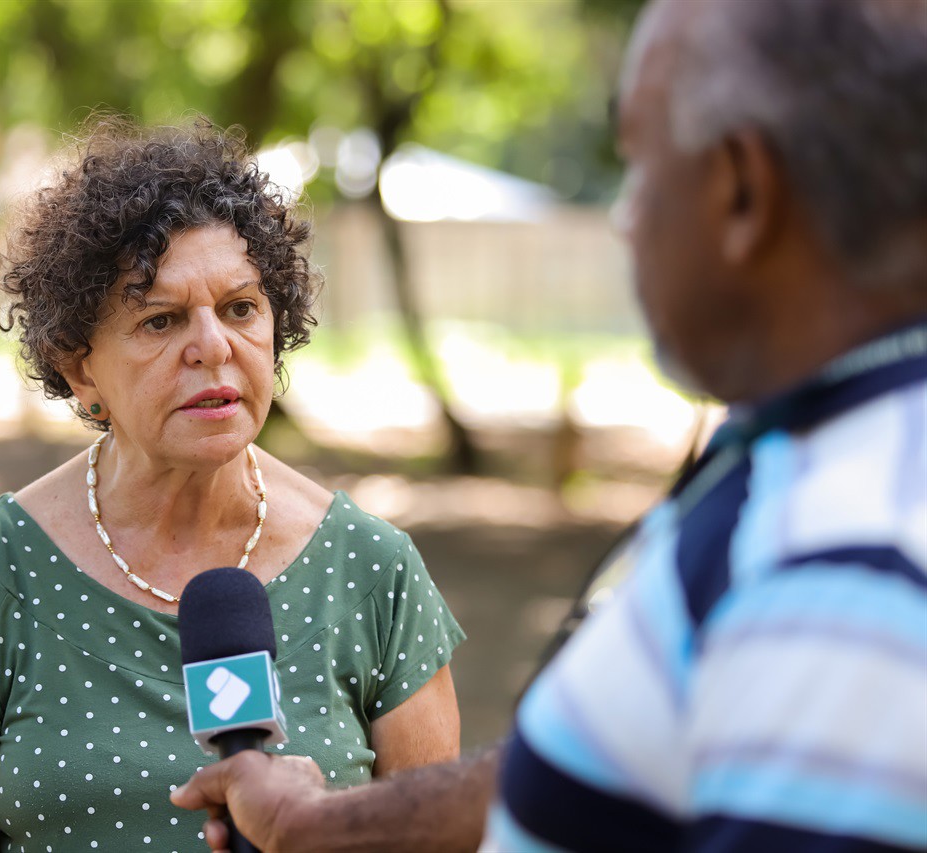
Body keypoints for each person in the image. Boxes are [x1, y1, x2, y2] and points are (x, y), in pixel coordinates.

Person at [171, 0, 927, 850]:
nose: (623, 217)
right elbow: (621, 758)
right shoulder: (810, 459)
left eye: (640, 165)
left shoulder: (843, 566)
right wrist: (314, 822)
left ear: (741, 187)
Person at [0, 118, 467, 852]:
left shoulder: (372, 571)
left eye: (242, 308)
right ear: (79, 366)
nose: (214, 346)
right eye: (162, 319)